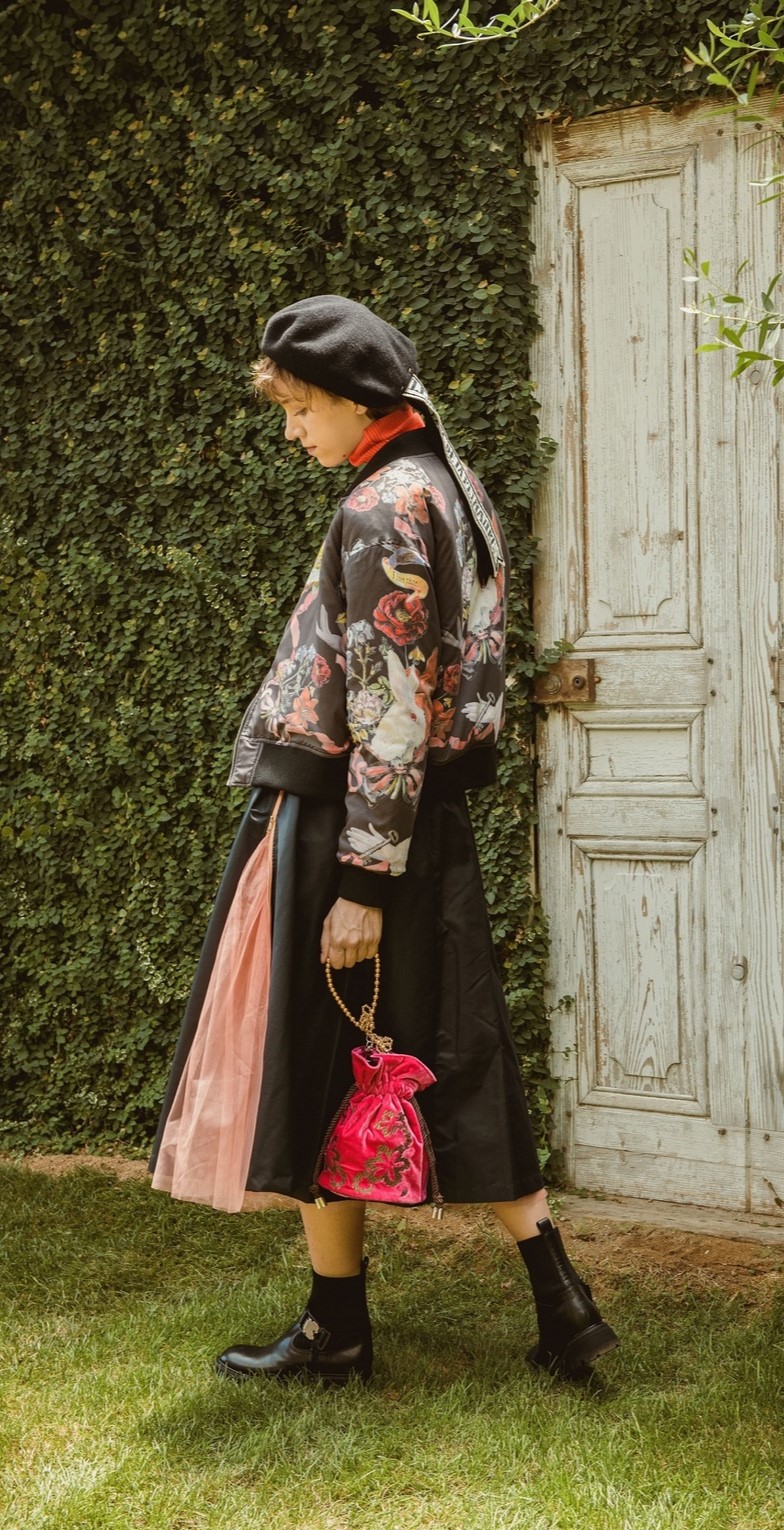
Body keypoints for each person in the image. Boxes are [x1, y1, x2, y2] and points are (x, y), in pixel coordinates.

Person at [149, 295, 619, 1385]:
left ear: (358, 402)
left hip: (351, 824)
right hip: (417, 820)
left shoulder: (383, 506)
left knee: (317, 1060)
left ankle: (340, 1331)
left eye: (300, 408)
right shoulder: (449, 484)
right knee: (456, 1052)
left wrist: (360, 876)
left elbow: (392, 708)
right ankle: (557, 1305)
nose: (290, 430)